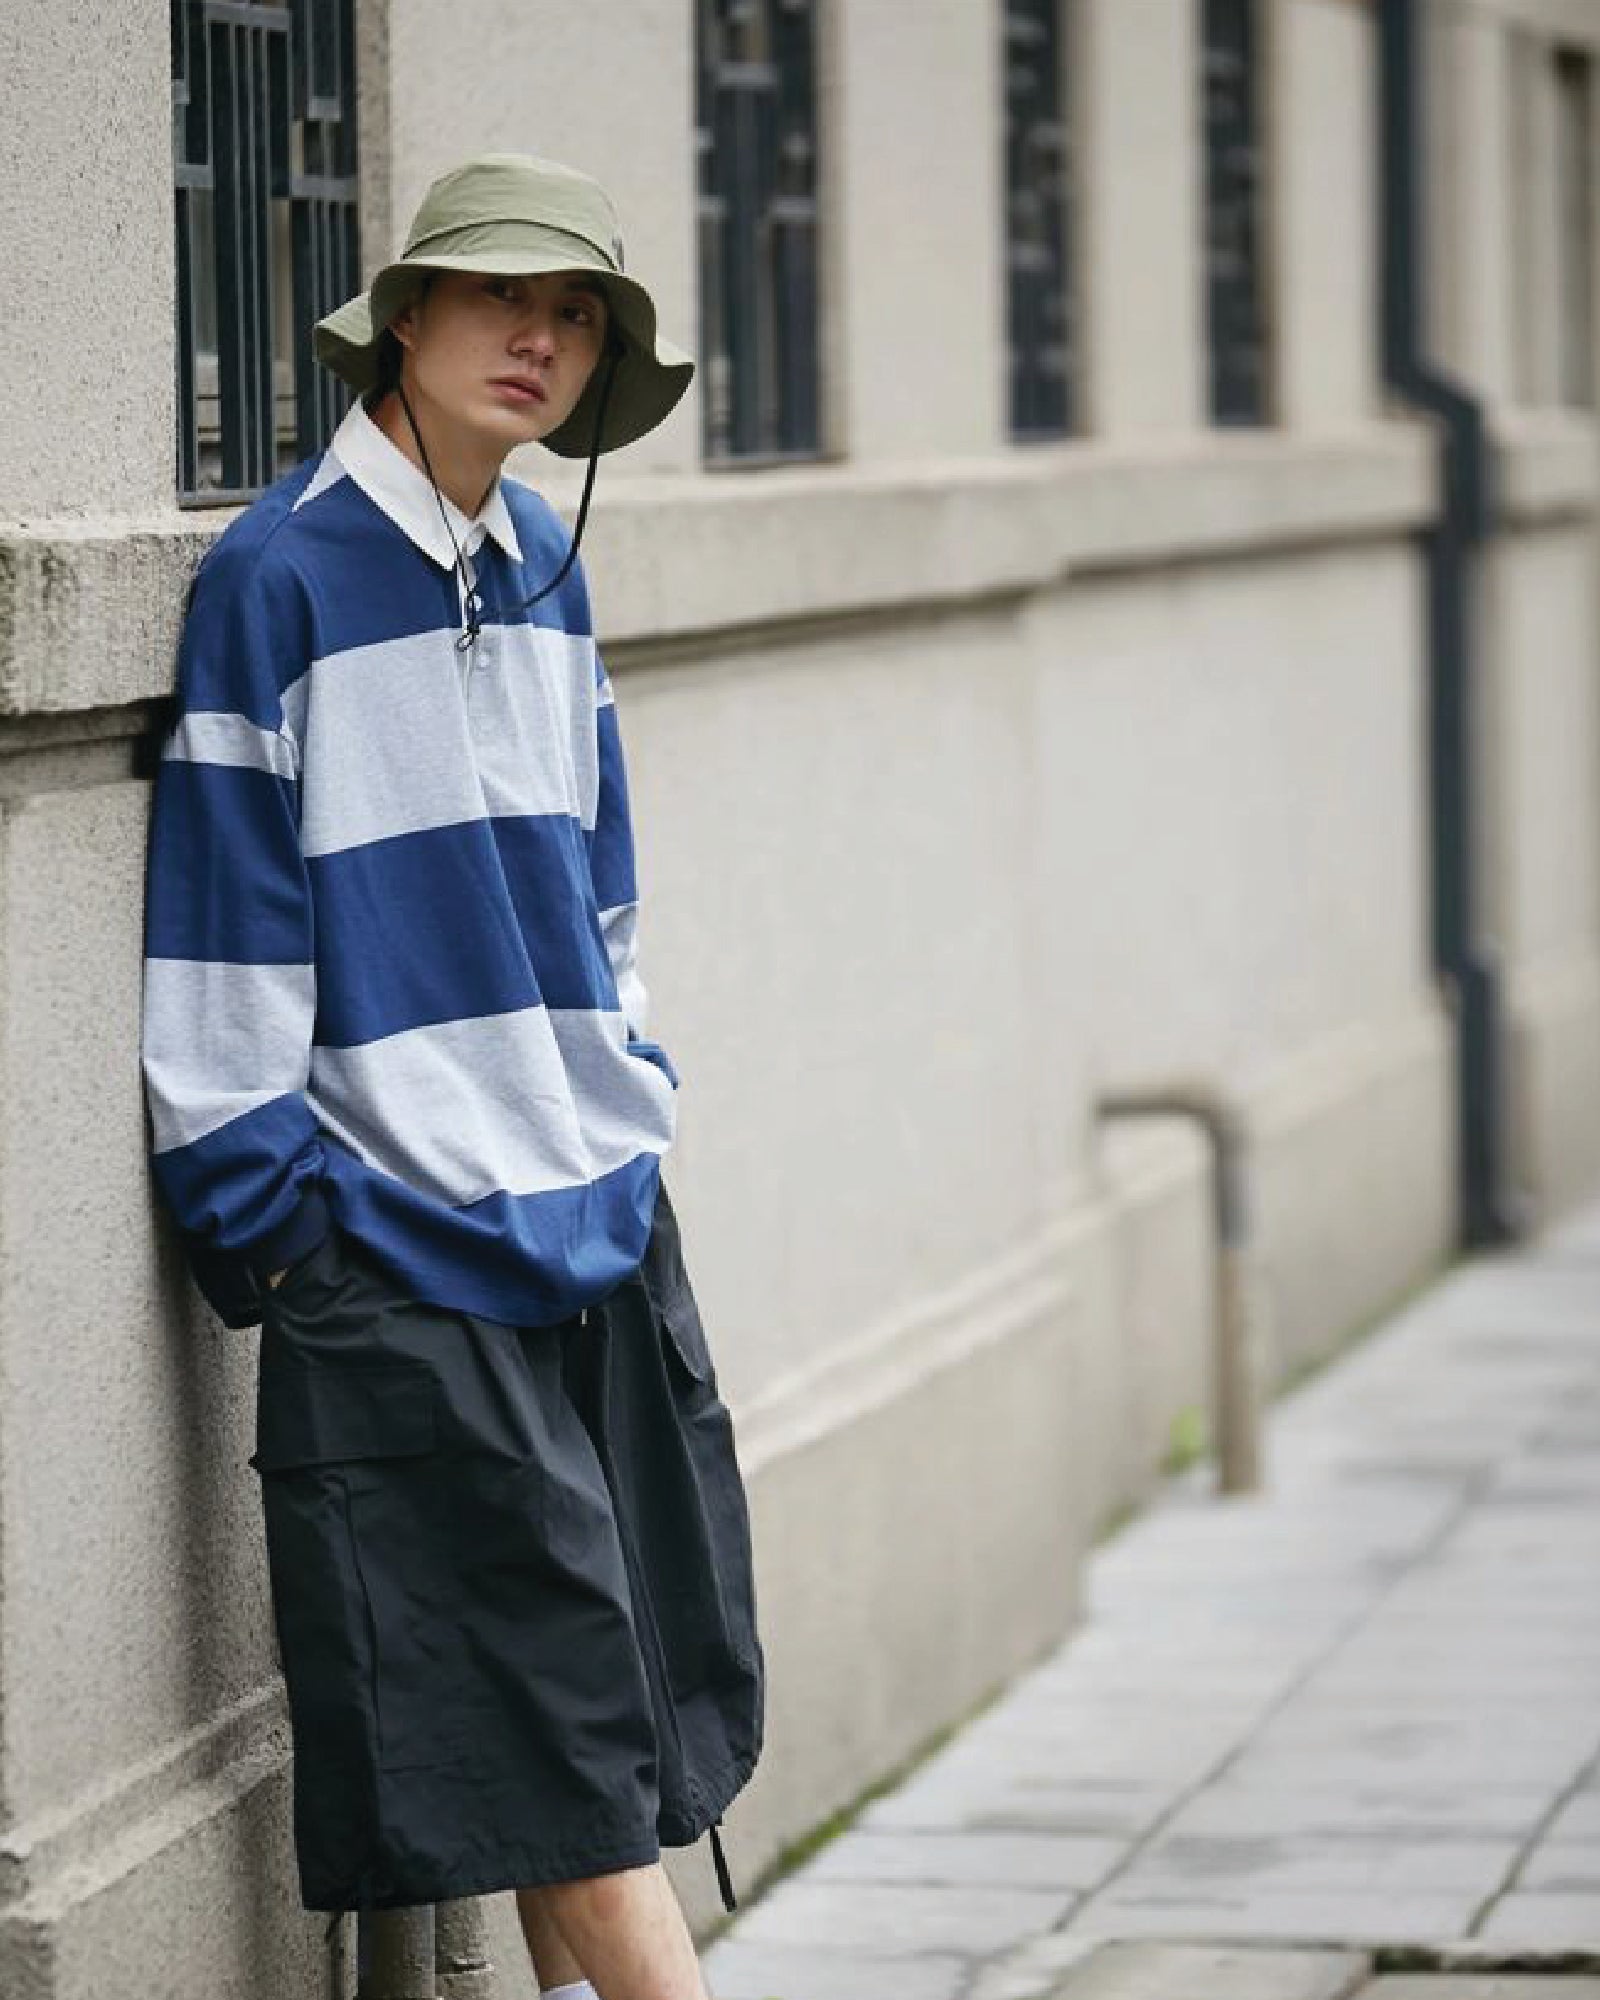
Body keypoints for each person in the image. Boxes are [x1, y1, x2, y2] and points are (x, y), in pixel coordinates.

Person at [139, 152, 764, 2000]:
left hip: (589, 1219)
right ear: (402, 320)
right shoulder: (282, 579)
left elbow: (602, 886)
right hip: (400, 1248)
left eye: (575, 314)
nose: (542, 340)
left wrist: (622, 1109)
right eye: (504, 299)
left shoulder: (551, 567)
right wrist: (286, 1238)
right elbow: (228, 930)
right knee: (566, 1781)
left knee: (618, 1722)